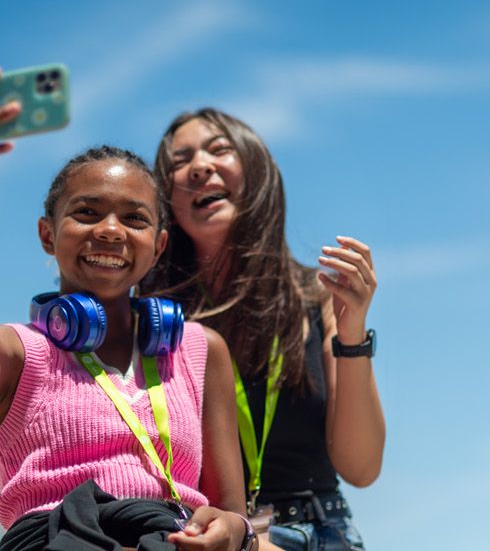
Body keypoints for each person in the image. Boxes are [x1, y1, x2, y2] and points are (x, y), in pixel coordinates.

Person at [0, 68, 252, 551]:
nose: (111, 231)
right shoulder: (18, 354)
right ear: (47, 235)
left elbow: (229, 511)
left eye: (134, 219)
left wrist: (230, 530)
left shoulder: (201, 349)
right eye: (87, 212)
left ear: (157, 247)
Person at [142, 109, 384, 551]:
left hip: (318, 530)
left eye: (219, 149)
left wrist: (353, 334)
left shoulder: (317, 295)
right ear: (166, 202)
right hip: (209, 536)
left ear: (258, 173)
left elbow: (361, 466)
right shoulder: (152, 319)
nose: (199, 166)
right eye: (180, 161)